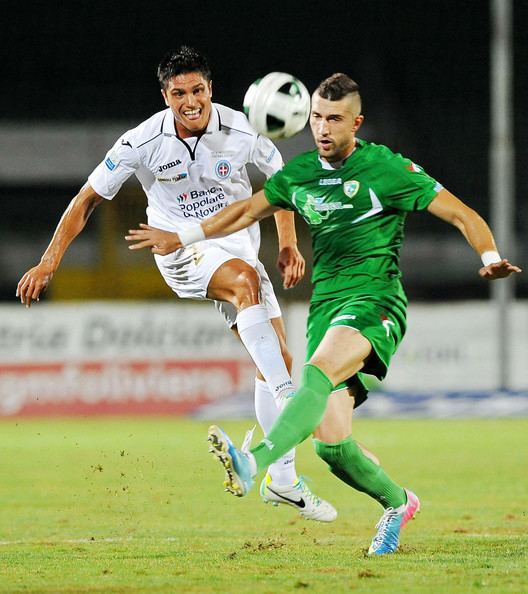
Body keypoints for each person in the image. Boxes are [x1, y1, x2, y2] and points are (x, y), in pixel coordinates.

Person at [124, 72, 521, 555]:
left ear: (357, 122)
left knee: (311, 373)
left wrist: (489, 257)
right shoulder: (301, 174)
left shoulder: (387, 168)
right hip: (327, 308)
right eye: (315, 118)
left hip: (375, 302)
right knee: (331, 445)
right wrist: (181, 238)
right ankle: (398, 504)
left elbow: (462, 214)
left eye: (334, 119)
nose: (323, 128)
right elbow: (245, 212)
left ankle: (256, 461)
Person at [15, 46, 337, 523]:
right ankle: (293, 398)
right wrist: (48, 262)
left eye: (198, 90)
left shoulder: (242, 127)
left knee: (275, 357)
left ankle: (283, 480)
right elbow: (86, 199)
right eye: (179, 93)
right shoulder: (141, 142)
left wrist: (288, 244)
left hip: (239, 247)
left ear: (211, 89)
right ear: (165, 95)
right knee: (252, 297)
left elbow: (281, 181)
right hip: (178, 251)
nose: (191, 101)